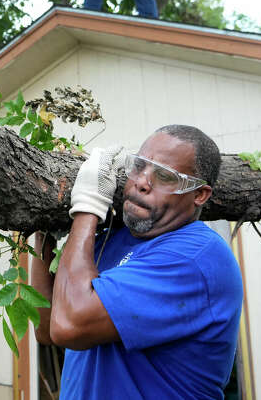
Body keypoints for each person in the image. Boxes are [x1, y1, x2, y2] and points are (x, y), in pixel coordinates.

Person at [31, 125, 243, 399]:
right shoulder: (112, 238)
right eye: (139, 166)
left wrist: (87, 206)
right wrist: (42, 231)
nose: (142, 182)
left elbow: (68, 326)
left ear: (199, 194)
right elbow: (47, 329)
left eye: (165, 176)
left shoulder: (196, 258)